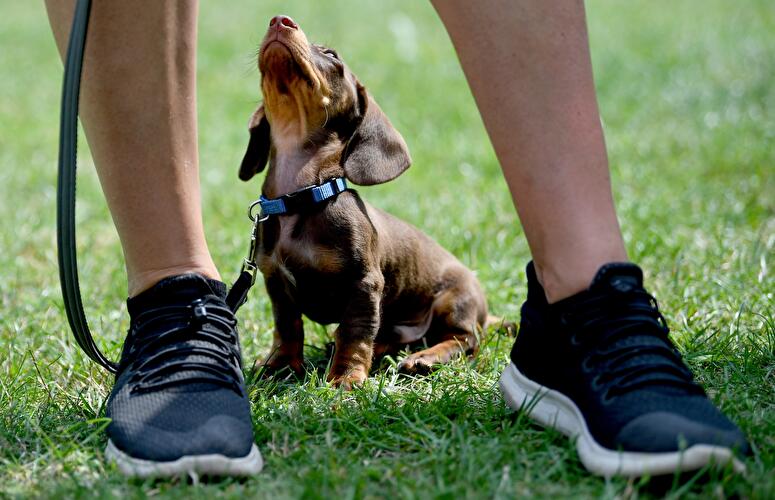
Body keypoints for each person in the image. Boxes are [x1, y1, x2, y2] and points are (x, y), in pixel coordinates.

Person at [45, 1, 748, 478]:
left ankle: (585, 302)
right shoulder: (272, 220)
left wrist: (354, 360)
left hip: (415, 311)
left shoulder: (349, 219)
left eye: (330, 59)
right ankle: (177, 299)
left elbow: (365, 284)